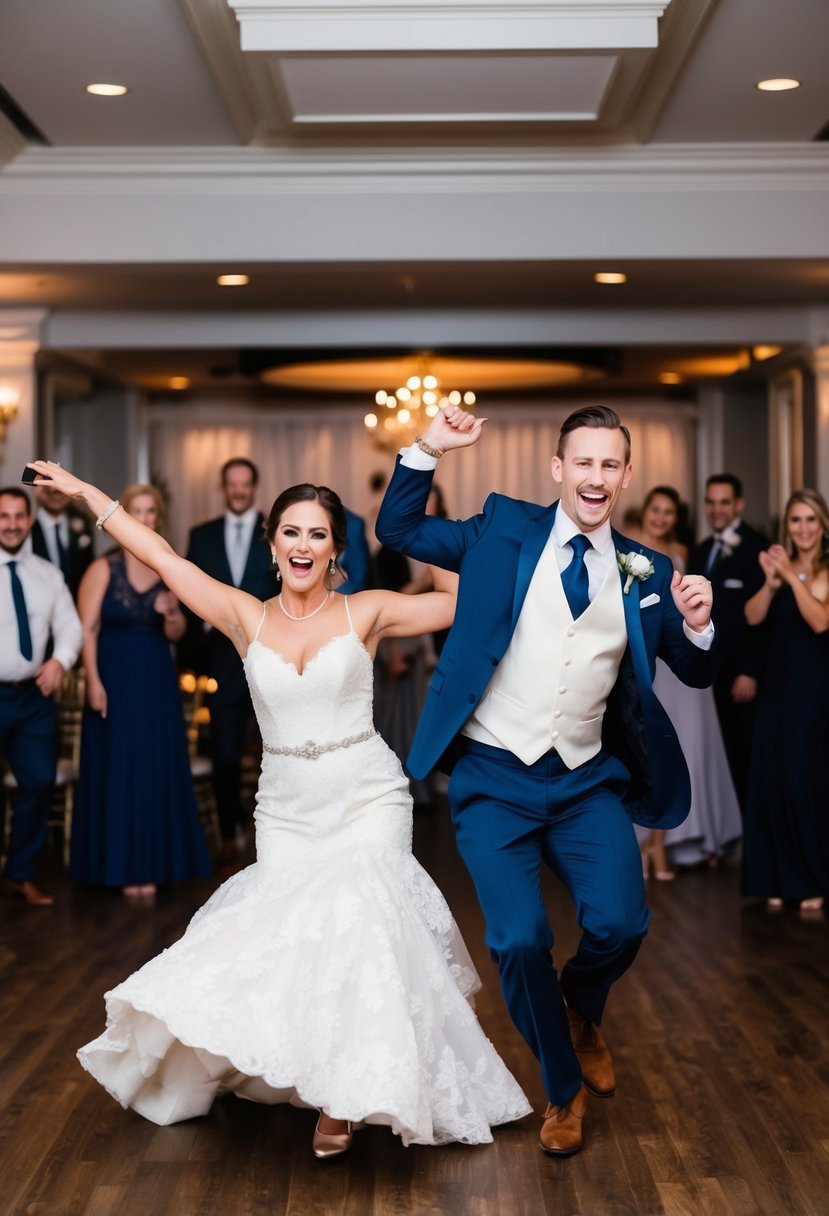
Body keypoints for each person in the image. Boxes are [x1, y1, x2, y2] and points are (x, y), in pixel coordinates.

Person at [27, 459, 531, 1156]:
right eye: (290, 532)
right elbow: (162, 556)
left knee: (365, 925)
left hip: (366, 795)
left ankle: (342, 1098)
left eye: (316, 534)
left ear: (334, 551)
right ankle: (319, 1066)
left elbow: (464, 603)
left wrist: (429, 532)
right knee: (294, 943)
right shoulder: (243, 616)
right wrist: (87, 494)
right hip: (287, 807)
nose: (302, 544)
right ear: (272, 545)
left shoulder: (369, 609)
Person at [376, 404, 716, 1157]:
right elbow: (397, 531)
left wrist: (697, 622)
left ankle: (578, 1006)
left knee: (622, 922)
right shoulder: (501, 529)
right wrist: (429, 447)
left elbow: (692, 668)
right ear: (557, 469)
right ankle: (560, 1093)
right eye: (582, 463)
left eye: (609, 465)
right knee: (519, 937)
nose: (595, 478)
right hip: (493, 774)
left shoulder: (647, 570)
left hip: (586, 776)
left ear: (625, 475)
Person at [70, 484, 212, 897]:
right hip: (113, 679)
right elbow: (87, 631)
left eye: (151, 512)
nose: (145, 518)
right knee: (116, 768)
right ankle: (117, 867)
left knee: (153, 768)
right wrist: (93, 681)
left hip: (155, 681)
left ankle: (154, 864)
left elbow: (178, 633)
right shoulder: (102, 569)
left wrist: (170, 613)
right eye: (138, 511)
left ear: (158, 518)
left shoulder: (168, 568)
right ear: (122, 515)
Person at [628, 487, 741, 875]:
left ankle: (661, 845)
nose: (661, 517)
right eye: (655, 509)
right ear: (644, 511)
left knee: (683, 750)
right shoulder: (624, 547)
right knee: (647, 752)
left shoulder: (681, 552)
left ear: (676, 518)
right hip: (650, 666)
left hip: (682, 670)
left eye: (668, 512)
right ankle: (641, 845)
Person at [184, 458, 275, 876]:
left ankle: (269, 831)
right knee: (223, 754)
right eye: (232, 484)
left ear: (254, 487)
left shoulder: (275, 534)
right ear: (224, 487)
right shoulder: (200, 536)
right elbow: (187, 589)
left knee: (274, 752)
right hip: (223, 660)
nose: (238, 491)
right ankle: (227, 833)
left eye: (245, 484)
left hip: (270, 656)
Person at [743, 489, 829, 914]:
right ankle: (773, 878)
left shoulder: (826, 569)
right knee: (770, 779)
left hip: (813, 690)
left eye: (810, 520)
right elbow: (752, 617)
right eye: (796, 521)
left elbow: (821, 620)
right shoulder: (780, 570)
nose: (803, 529)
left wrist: (793, 580)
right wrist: (771, 582)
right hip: (776, 687)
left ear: (823, 525)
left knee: (802, 780)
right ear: (787, 527)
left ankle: (812, 878)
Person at [0, 486, 82, 906]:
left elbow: (70, 626)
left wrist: (59, 662)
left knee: (39, 780)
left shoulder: (47, 574)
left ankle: (20, 873)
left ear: (29, 521)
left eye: (19, 516)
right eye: (4, 516)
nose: (12, 524)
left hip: (33, 697)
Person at [689, 474, 767, 812]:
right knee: (718, 760)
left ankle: (753, 850)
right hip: (710, 676)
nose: (716, 510)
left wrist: (749, 671)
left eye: (724, 502)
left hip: (742, 677)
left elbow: (765, 618)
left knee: (747, 760)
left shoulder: (758, 548)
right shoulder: (701, 551)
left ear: (738, 504)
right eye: (711, 502)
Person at [29, 480, 94, 600]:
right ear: (37, 491)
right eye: (49, 489)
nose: (56, 494)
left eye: (60, 490)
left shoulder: (83, 524)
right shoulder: (26, 528)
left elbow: (88, 568)